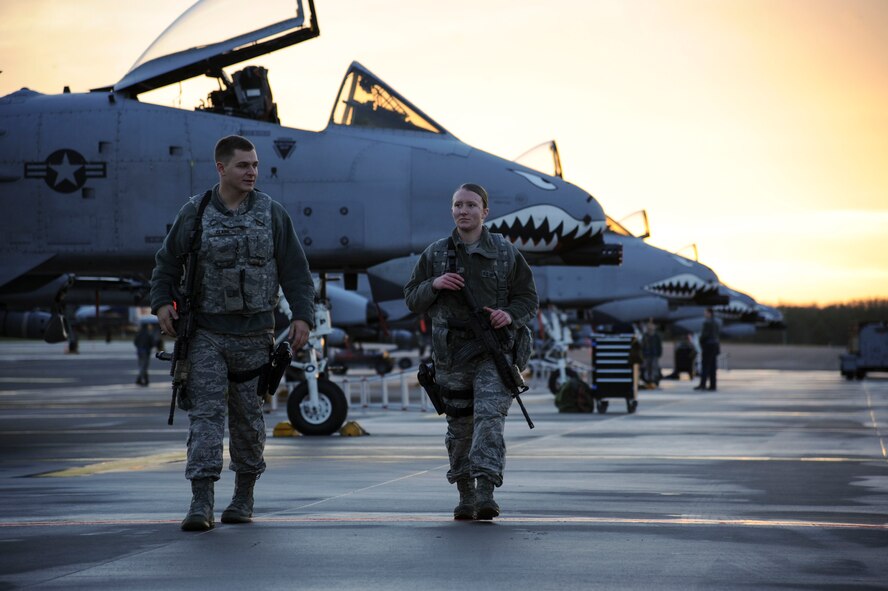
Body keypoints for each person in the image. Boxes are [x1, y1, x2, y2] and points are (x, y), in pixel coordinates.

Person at [150, 135, 315, 531]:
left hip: (256, 336)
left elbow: (296, 271)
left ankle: (243, 497)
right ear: (221, 168)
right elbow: (165, 266)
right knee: (206, 417)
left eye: (255, 165)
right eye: (243, 165)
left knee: (247, 420)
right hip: (206, 332)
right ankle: (201, 502)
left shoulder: (272, 214)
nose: (252, 172)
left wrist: (303, 317)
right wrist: (160, 306)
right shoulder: (195, 213)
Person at [404, 183, 538, 521]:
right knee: (460, 426)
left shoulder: (506, 254)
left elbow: (528, 299)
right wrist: (434, 285)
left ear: (485, 211)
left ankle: (485, 491)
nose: (463, 211)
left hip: (494, 352)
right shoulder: (435, 254)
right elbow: (411, 297)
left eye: (471, 205)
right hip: (451, 354)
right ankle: (464, 493)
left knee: (489, 419)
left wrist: (508, 314)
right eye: (457, 205)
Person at [694, 308, 721, 391]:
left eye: (706, 312)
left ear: (710, 313)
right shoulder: (716, 323)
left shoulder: (707, 323)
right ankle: (713, 385)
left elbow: (704, 335)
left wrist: (700, 341)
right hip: (715, 346)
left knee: (705, 366)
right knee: (713, 366)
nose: (705, 314)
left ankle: (703, 384)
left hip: (708, 346)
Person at [640, 320, 662, 388]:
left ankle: (654, 380)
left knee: (654, 367)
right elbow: (643, 346)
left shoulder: (656, 336)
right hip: (647, 355)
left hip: (654, 354)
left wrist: (659, 353)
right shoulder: (645, 336)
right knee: (647, 367)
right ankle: (648, 380)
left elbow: (659, 346)